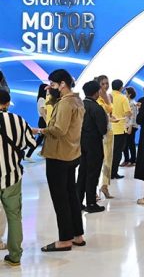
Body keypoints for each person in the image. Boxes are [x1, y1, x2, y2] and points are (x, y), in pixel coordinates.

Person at [39, 69, 85, 252]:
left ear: (62, 84)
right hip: (71, 153)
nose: (50, 87)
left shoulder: (66, 103)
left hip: (58, 155)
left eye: (53, 84)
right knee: (71, 196)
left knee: (60, 199)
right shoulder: (76, 100)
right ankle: (77, 235)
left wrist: (40, 130)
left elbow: (59, 130)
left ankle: (65, 239)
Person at [0, 89, 37, 266]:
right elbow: (30, 143)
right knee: (14, 216)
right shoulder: (18, 120)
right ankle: (15, 255)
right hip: (12, 176)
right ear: (8, 103)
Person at [76, 81, 108, 214]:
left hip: (80, 143)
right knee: (93, 173)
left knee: (82, 172)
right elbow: (103, 129)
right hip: (94, 144)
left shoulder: (79, 105)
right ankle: (91, 203)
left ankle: (78, 202)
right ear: (97, 92)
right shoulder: (97, 108)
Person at [97, 75, 114, 199]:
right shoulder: (96, 97)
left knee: (108, 160)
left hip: (109, 130)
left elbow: (110, 115)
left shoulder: (110, 96)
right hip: (98, 132)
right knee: (96, 160)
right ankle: (92, 189)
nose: (105, 86)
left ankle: (105, 185)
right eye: (103, 83)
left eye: (107, 83)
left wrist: (112, 118)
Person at [110, 80, 132, 180]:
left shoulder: (108, 96)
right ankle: (114, 173)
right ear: (121, 87)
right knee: (117, 153)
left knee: (109, 153)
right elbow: (128, 113)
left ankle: (107, 173)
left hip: (109, 128)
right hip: (119, 129)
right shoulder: (123, 98)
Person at [25, 83, 48, 161]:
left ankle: (43, 153)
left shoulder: (43, 99)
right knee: (39, 140)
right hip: (43, 121)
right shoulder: (41, 99)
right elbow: (42, 112)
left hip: (43, 120)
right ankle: (28, 155)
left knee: (46, 138)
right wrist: (47, 122)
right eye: (47, 89)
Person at [121, 87, 138, 167]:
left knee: (131, 143)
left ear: (129, 94)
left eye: (126, 93)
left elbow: (133, 116)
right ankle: (126, 160)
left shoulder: (132, 103)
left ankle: (133, 160)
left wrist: (130, 127)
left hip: (131, 126)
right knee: (125, 144)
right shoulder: (126, 102)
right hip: (125, 125)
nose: (124, 94)